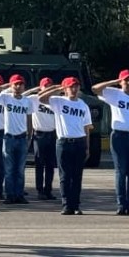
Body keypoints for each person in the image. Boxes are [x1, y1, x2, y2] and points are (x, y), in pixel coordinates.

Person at [93, 69, 129, 216]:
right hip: (119, 136)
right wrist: (114, 82)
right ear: (121, 82)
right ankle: (121, 204)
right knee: (121, 171)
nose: (128, 82)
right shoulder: (114, 94)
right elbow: (95, 89)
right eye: (125, 80)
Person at [38, 77, 93, 215]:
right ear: (65, 89)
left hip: (79, 142)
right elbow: (41, 98)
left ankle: (76, 205)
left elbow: (86, 127)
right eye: (70, 87)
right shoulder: (58, 101)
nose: (74, 89)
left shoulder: (83, 105)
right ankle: (66, 204)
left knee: (77, 176)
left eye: (76, 86)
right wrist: (57, 88)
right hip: (63, 142)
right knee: (65, 176)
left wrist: (87, 147)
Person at [0, 74, 34, 204]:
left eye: (21, 84)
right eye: (15, 84)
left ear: (24, 86)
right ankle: (10, 195)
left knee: (20, 170)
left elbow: (29, 119)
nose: (18, 87)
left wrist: (29, 136)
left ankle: (19, 194)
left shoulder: (27, 101)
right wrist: (3, 87)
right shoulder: (6, 97)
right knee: (9, 169)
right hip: (9, 137)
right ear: (11, 86)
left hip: (22, 137)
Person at [28, 77, 58, 201]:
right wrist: (34, 90)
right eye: (45, 86)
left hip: (52, 134)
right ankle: (40, 190)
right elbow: (22, 96)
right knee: (39, 163)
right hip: (39, 134)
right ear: (41, 87)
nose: (48, 89)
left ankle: (48, 190)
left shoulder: (55, 100)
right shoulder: (34, 99)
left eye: (50, 86)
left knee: (50, 165)